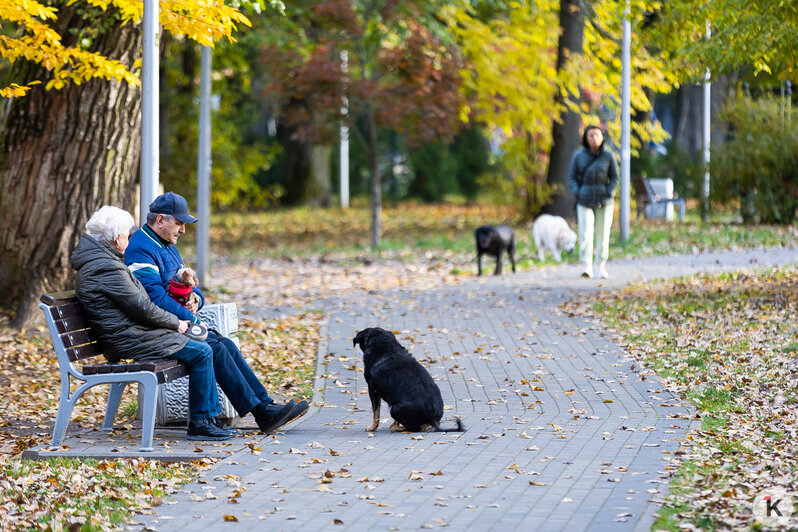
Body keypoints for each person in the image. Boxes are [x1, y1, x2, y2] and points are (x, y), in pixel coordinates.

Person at [125, 192, 308, 433]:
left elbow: (192, 286)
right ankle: (259, 413)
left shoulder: (167, 246)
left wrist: (195, 299)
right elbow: (154, 299)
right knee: (216, 348)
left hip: (174, 324)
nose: (183, 230)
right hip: (159, 328)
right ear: (160, 220)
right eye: (179, 223)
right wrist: (190, 318)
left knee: (226, 344)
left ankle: (264, 407)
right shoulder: (141, 249)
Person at [71, 206, 234, 441]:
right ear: (118, 239)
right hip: (128, 338)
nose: (129, 240)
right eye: (127, 235)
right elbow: (142, 306)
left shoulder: (103, 261)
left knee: (205, 347)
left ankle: (206, 419)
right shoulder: (105, 267)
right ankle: (201, 422)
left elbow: (139, 304)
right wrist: (176, 323)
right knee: (202, 352)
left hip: (130, 333)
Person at [567, 125, 619, 279]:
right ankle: (586, 265)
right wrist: (578, 192)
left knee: (603, 234)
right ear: (585, 138)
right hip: (584, 200)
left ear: (602, 137)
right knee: (585, 233)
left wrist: (609, 192)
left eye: (596, 134)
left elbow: (615, 177)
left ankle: (600, 266)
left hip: (605, 201)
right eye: (590, 135)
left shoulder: (609, 156)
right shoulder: (578, 156)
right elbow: (572, 177)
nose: (594, 138)